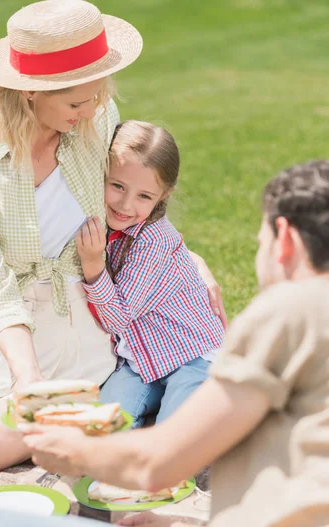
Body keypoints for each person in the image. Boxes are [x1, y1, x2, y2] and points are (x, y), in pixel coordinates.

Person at [0, 159, 329, 527]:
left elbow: (158, 464)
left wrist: (67, 445)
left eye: (260, 241)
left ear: (286, 243)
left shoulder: (295, 309)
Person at [0, 0, 226, 485]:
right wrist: (25, 376)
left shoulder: (96, 121)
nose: (95, 110)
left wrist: (190, 261)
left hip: (74, 336)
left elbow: (136, 204)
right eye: (78, 102)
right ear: (31, 92)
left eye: (99, 96)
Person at [77, 120, 225, 426]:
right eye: (117, 186)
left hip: (191, 357)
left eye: (144, 196)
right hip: (140, 362)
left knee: (175, 432)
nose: (126, 205)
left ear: (163, 195)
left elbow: (118, 317)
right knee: (101, 426)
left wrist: (93, 268)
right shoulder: (106, 224)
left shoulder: (154, 238)